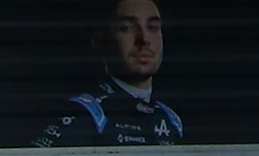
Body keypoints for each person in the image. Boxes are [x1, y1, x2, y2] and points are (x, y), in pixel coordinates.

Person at [33, 0, 178, 146]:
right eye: (127, 28)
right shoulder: (88, 114)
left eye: (153, 27)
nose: (144, 39)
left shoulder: (171, 120)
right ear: (100, 42)